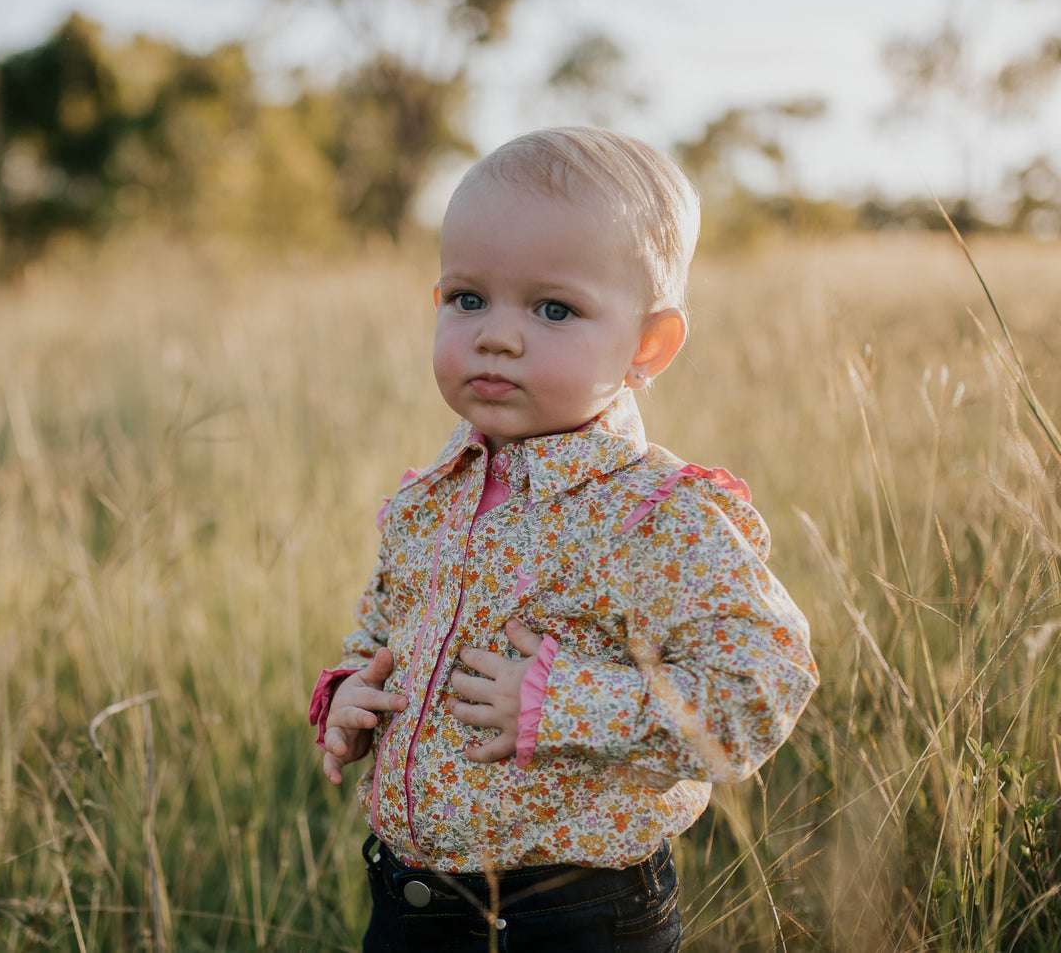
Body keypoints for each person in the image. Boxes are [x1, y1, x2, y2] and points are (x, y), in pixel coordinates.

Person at [309, 126, 818, 952]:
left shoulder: (656, 515)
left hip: (576, 915)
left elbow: (760, 685)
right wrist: (351, 699)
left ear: (645, 346)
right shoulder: (429, 499)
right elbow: (381, 634)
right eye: (467, 298)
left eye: (554, 308)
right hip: (411, 900)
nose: (496, 334)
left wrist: (563, 701)